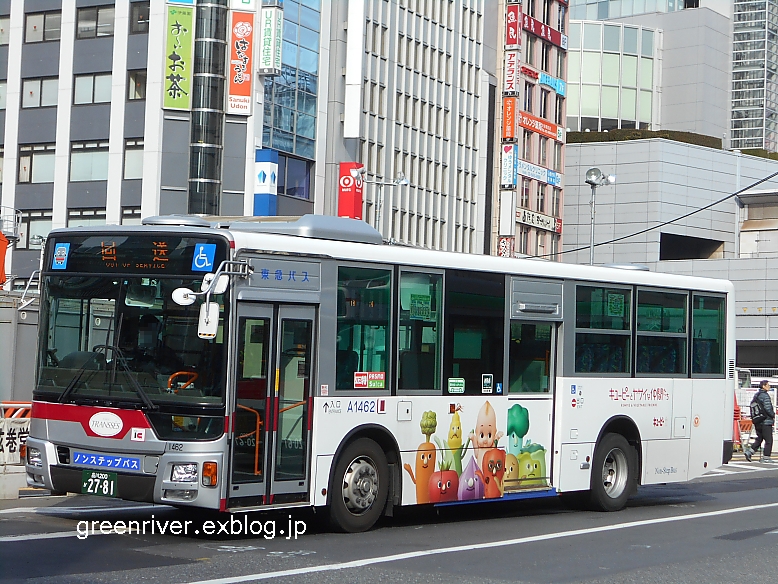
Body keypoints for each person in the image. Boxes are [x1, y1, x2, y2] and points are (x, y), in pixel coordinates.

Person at [745, 380, 776, 462]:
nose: (769, 386)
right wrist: (773, 415)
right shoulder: (765, 396)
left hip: (758, 420)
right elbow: (768, 408)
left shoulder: (757, 395)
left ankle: (750, 452)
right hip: (766, 421)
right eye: (768, 385)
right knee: (769, 440)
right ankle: (766, 457)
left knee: (760, 438)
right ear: (763, 386)